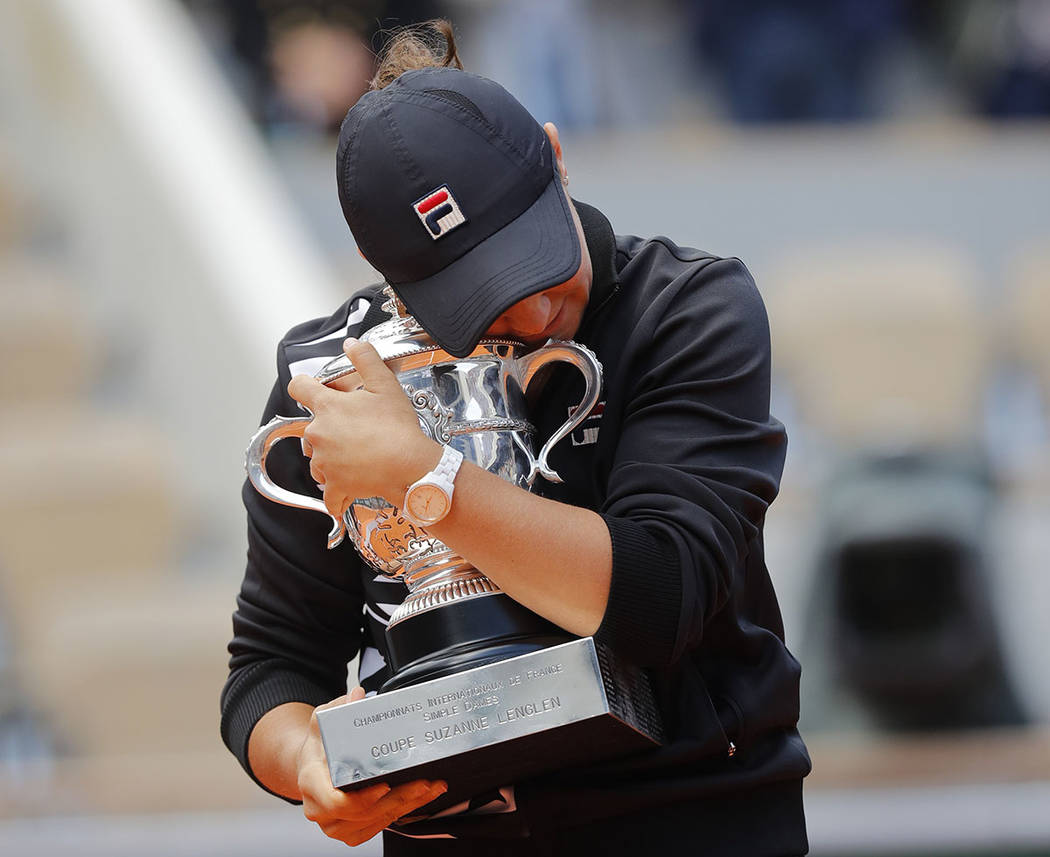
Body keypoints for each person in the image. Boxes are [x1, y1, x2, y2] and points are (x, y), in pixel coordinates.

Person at [221, 20, 811, 856]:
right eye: (477, 298)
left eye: (534, 261)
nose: (533, 315)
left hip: (694, 817)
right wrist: (309, 762)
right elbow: (271, 667)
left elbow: (660, 599)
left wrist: (427, 475)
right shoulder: (330, 380)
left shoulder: (685, 307)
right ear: (380, 263)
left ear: (556, 156)